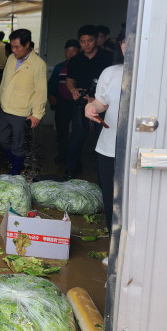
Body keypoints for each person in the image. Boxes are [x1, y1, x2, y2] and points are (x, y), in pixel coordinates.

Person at [85, 28, 125, 234]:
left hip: (140, 152)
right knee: (110, 198)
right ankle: (114, 246)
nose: (130, 47)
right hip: (108, 148)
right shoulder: (111, 73)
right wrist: (90, 108)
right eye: (126, 42)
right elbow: (101, 103)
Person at [65, 25, 113, 179]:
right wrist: (73, 90)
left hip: (104, 106)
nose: (86, 45)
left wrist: (98, 99)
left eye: (90, 41)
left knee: (104, 137)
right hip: (81, 103)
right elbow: (70, 80)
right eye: (83, 41)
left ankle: (103, 174)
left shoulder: (108, 57)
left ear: (97, 40)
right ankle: (70, 170)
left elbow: (115, 83)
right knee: (77, 137)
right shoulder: (75, 60)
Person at [0, 29, 47, 175]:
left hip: (22, 111)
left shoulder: (38, 65)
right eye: (12, 46)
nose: (13, 50)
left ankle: (15, 173)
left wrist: (37, 114)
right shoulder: (12, 58)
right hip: (6, 108)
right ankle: (19, 165)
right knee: (2, 139)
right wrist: (1, 99)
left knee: (18, 145)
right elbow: (5, 81)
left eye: (17, 47)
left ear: (27, 44)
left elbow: (40, 91)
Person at [47, 39, 80, 162]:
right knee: (62, 130)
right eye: (68, 51)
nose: (71, 54)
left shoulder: (82, 66)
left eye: (74, 51)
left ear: (79, 52)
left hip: (77, 104)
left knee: (78, 131)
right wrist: (51, 95)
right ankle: (62, 153)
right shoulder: (59, 67)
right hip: (62, 102)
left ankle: (75, 157)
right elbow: (52, 83)